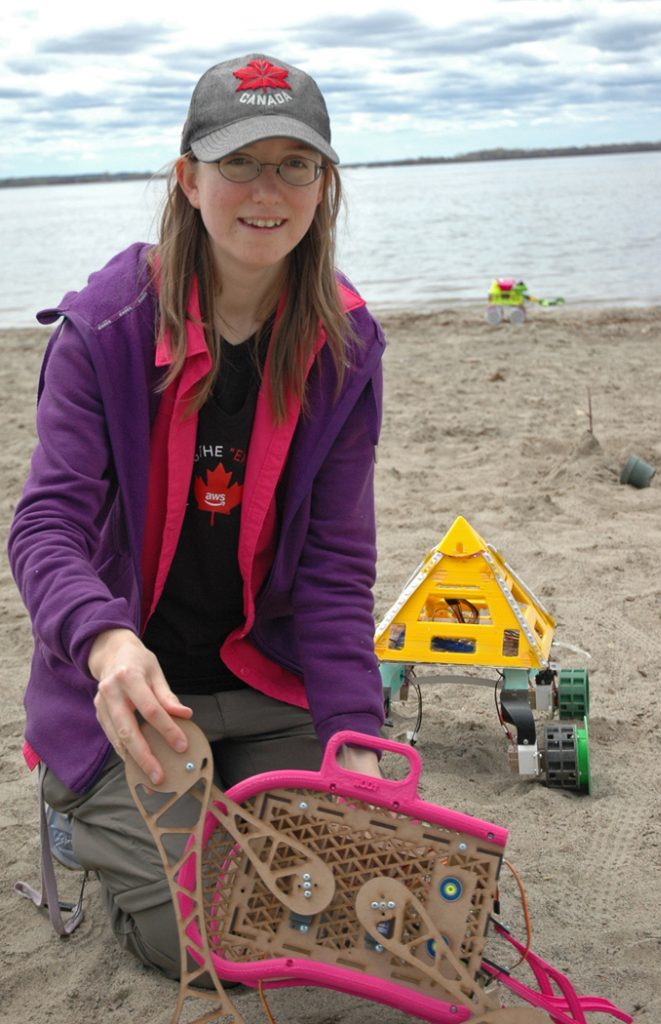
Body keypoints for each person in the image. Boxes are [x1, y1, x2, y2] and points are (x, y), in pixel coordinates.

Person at [8, 53, 385, 977]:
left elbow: (336, 569)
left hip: (264, 679)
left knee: (346, 895)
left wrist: (360, 741)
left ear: (323, 183)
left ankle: (214, 797)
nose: (268, 190)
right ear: (187, 178)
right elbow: (44, 526)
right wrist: (105, 641)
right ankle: (80, 809)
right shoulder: (105, 328)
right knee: (203, 940)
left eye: (294, 164)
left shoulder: (345, 346)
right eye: (238, 162)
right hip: (133, 693)